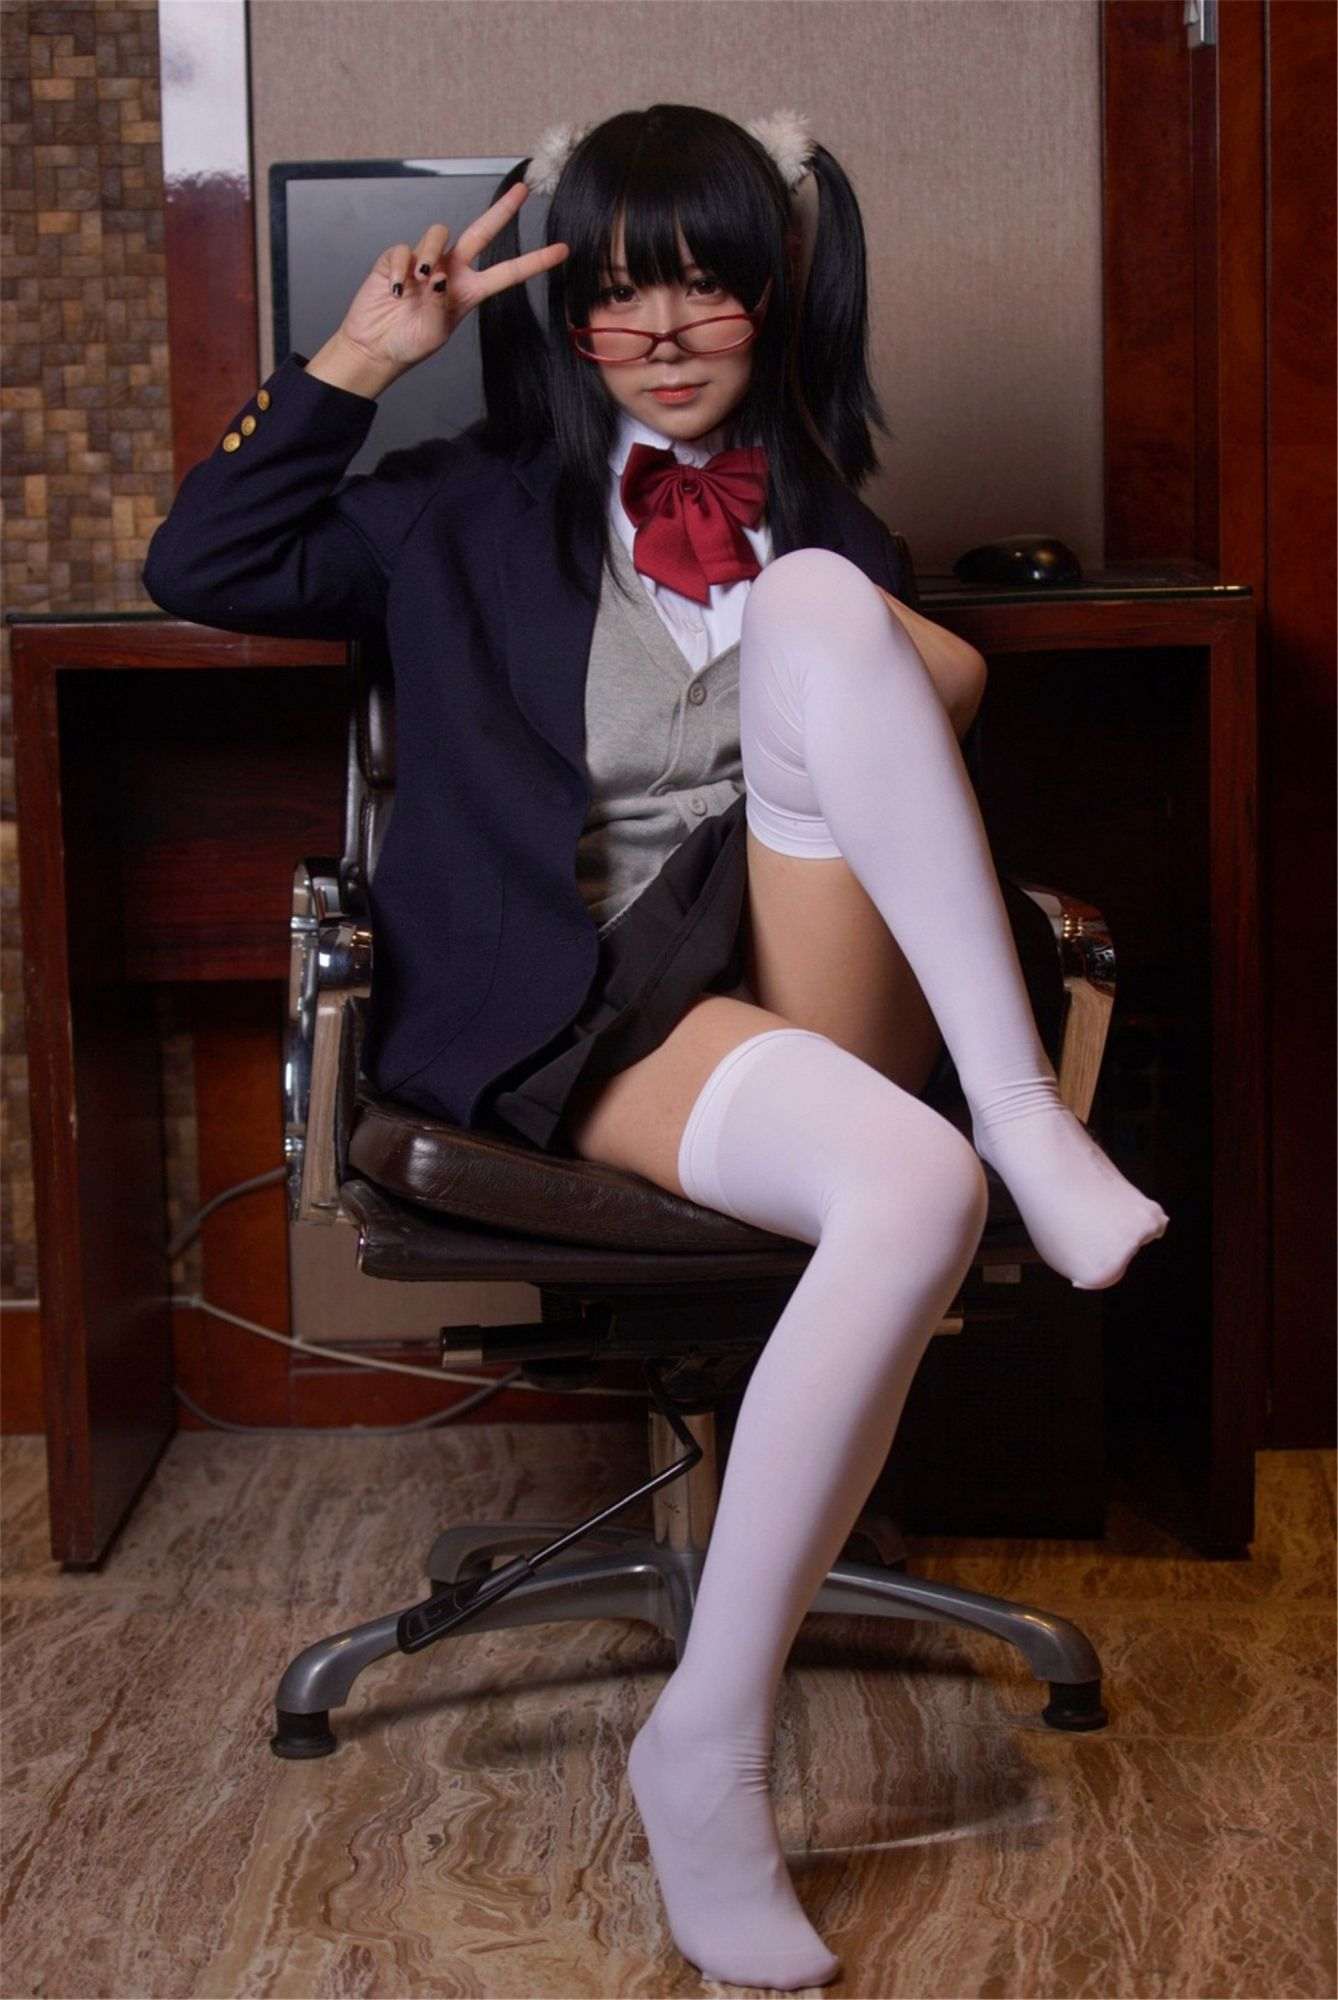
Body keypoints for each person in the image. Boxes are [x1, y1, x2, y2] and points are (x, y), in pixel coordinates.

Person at [142, 102, 1169, 1992]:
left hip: (790, 967)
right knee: (912, 1187)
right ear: (567, 317)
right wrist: (364, 354)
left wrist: (887, 639)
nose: (668, 332)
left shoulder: (830, 527)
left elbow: (873, 731)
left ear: (776, 298)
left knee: (820, 597)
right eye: (620, 294)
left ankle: (1022, 1108)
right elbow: (201, 562)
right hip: (578, 996)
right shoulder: (454, 508)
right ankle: (706, 1750)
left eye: (708, 286)